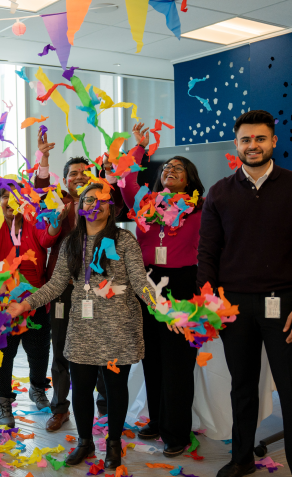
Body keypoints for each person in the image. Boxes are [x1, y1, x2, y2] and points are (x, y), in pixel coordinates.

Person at [197, 110, 292, 477]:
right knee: (242, 388)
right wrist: (208, 299)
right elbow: (208, 253)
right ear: (236, 145)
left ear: (273, 142)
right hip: (233, 305)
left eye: (260, 139)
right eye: (246, 140)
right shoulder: (218, 192)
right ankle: (241, 458)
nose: (253, 145)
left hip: (283, 305)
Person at [8, 183, 153, 470]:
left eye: (101, 200)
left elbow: (139, 282)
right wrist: (26, 304)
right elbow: (57, 283)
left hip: (118, 328)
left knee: (115, 388)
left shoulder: (124, 240)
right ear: (80, 206)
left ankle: (113, 445)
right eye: (88, 200)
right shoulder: (71, 243)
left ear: (110, 206)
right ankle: (85, 443)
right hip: (82, 329)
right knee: (82, 389)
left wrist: (162, 306)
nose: (94, 205)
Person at [120, 121, 206, 457]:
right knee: (152, 358)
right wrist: (140, 146)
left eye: (179, 168)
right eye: (168, 166)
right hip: (146, 282)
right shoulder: (147, 203)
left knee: (178, 363)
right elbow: (126, 179)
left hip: (183, 284)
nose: (171, 170)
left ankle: (177, 433)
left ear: (189, 179)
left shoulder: (200, 208)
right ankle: (156, 420)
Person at [34, 130, 126, 432]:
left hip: (99, 289)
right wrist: (44, 159)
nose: (78, 177)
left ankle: (103, 407)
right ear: (65, 180)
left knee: (99, 346)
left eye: (84, 173)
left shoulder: (102, 203)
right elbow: (39, 190)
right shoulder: (57, 201)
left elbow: (122, 207)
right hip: (63, 290)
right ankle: (60, 408)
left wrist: (109, 176)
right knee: (61, 349)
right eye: (73, 173)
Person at [0, 182, 68, 427]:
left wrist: (56, 222)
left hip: (34, 299)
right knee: (2, 354)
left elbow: (48, 239)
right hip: (1, 302)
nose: (10, 201)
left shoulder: (32, 220)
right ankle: (4, 401)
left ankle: (37, 388)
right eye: (5, 196)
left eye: (15, 196)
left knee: (39, 350)